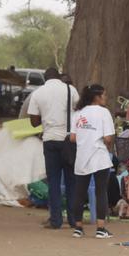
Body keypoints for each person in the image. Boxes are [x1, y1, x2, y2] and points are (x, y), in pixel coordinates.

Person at [27, 67, 80, 229]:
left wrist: (48, 114)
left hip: (50, 140)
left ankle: (56, 220)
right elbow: (78, 111)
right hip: (69, 140)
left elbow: (34, 122)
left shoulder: (38, 93)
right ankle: (73, 219)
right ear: (59, 76)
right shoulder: (70, 90)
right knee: (72, 181)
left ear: (45, 78)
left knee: (54, 182)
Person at [69, 84, 115, 239]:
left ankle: (78, 227)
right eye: (105, 95)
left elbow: (73, 138)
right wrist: (106, 145)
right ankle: (101, 228)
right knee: (101, 191)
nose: (106, 98)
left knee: (79, 192)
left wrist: (86, 138)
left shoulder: (78, 113)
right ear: (98, 97)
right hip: (99, 157)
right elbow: (108, 138)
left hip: (82, 157)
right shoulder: (104, 113)